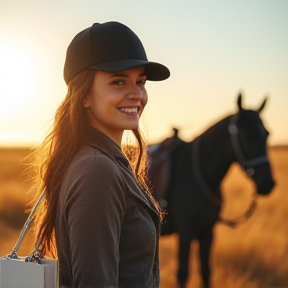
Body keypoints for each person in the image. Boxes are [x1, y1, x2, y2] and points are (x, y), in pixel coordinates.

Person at [31, 21, 170, 288]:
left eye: (140, 81)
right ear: (84, 95)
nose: (136, 94)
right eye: (118, 82)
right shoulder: (97, 170)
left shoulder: (101, 161)